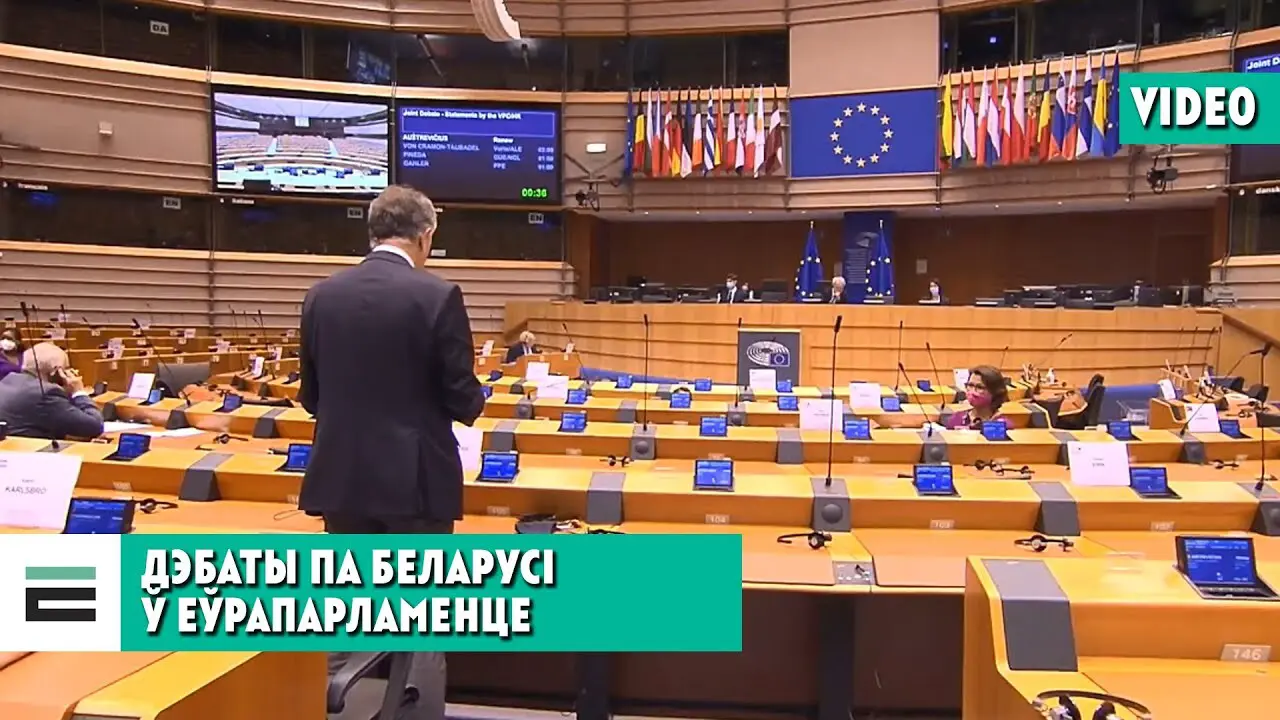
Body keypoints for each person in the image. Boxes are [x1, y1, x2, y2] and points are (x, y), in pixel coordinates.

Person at [297, 185, 485, 720]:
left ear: (373, 232)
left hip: (342, 478)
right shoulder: (437, 295)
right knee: (420, 615)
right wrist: (475, 397)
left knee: (347, 607)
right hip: (414, 484)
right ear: (426, 236)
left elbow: (311, 396)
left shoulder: (321, 295)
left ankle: (334, 709)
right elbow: (462, 399)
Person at [0, 341, 104, 439]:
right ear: (56, 372)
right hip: (34, 450)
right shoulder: (47, 393)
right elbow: (94, 426)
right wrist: (78, 391)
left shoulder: (7, 381)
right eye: (66, 369)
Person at [947, 365, 1009, 430]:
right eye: (970, 385)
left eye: (980, 387)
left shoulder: (1003, 425)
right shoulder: (957, 419)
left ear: (995, 392)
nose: (973, 391)